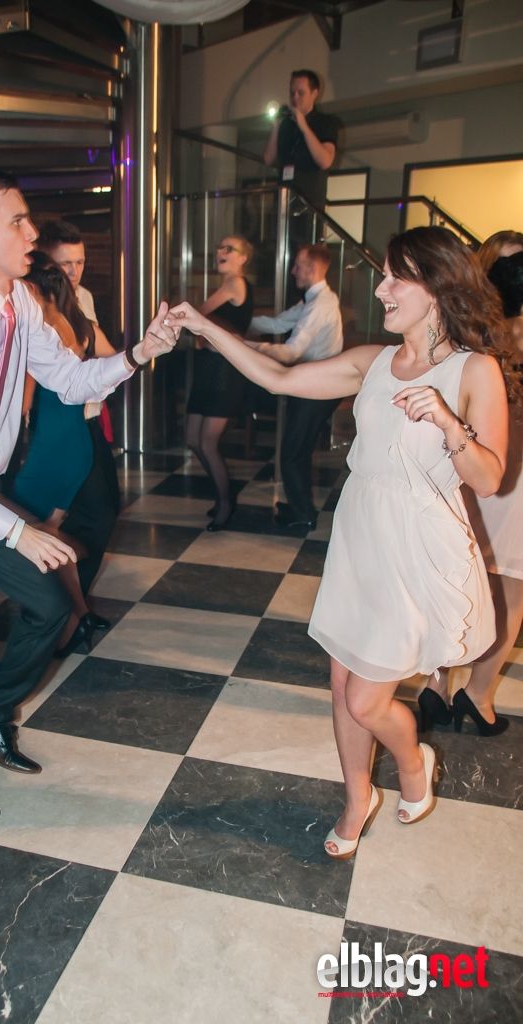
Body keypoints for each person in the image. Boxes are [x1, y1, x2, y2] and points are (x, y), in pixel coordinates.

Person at [169, 226, 509, 859]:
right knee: (341, 683)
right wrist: (204, 326)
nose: (381, 289)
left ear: (437, 286)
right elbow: (277, 377)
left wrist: (447, 421)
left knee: (366, 699)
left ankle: (412, 757)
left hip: (418, 545)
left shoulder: (473, 370)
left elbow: (489, 479)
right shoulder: (373, 361)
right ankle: (357, 798)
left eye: (396, 277)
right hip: (360, 535)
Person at [0, 168, 178, 831]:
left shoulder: (18, 301)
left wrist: (139, 353)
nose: (32, 232)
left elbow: (70, 381)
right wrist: (17, 530)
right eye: (18, 221)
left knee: (51, 604)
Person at [420, 249, 523, 735]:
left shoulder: (472, 342)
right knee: (512, 595)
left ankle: (436, 684)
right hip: (515, 484)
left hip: (470, 469)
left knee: (452, 579)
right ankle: (478, 696)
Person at [11, 251, 108, 654]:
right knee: (44, 531)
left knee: (30, 530)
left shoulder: (42, 331)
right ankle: (78, 615)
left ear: (33, 290)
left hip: (52, 446)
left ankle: (68, 616)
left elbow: (23, 403)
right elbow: (107, 362)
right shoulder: (78, 323)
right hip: (76, 441)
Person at [248, 243, 343, 533]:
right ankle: (300, 507)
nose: (292, 271)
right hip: (315, 384)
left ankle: (304, 515)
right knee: (295, 451)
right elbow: (278, 323)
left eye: (298, 265)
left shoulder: (320, 304)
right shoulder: (315, 299)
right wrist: (236, 322)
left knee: (292, 453)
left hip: (318, 387)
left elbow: (291, 352)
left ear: (312, 269)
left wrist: (244, 345)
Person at [185, 236, 254, 531]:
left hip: (225, 370)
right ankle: (221, 491)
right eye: (219, 248)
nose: (221, 252)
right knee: (193, 439)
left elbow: (196, 315)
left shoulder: (234, 283)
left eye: (229, 249)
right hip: (209, 367)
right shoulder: (228, 285)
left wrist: (201, 331)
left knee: (207, 441)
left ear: (243, 258)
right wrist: (204, 335)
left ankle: (226, 503)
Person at [263, 68, 338, 209]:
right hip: (283, 202)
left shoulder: (326, 122)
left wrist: (304, 127)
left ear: (314, 94)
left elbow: (326, 161)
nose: (295, 98)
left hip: (309, 204)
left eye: (301, 93)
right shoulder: (286, 124)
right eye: (292, 93)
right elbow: (268, 159)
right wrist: (276, 126)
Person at [37, 220, 98, 324]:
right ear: (45, 264)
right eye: (65, 263)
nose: (74, 272)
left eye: (80, 262)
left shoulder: (85, 295)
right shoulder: (33, 303)